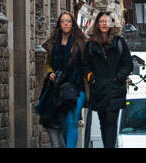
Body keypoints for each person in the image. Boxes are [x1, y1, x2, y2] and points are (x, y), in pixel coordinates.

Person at [37, 10, 87, 149]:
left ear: (73, 24)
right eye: (63, 21)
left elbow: (87, 64)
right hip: (58, 89)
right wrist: (49, 73)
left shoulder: (81, 43)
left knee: (72, 121)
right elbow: (46, 63)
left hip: (77, 87)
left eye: (69, 21)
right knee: (64, 123)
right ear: (59, 24)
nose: (66, 23)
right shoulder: (52, 43)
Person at [84, 10, 133, 149]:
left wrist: (119, 78)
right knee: (103, 122)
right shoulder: (91, 44)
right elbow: (85, 65)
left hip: (115, 88)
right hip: (99, 89)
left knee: (111, 121)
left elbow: (128, 63)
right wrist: (91, 78)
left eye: (107, 21)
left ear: (112, 24)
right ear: (97, 24)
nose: (104, 24)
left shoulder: (119, 42)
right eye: (101, 21)